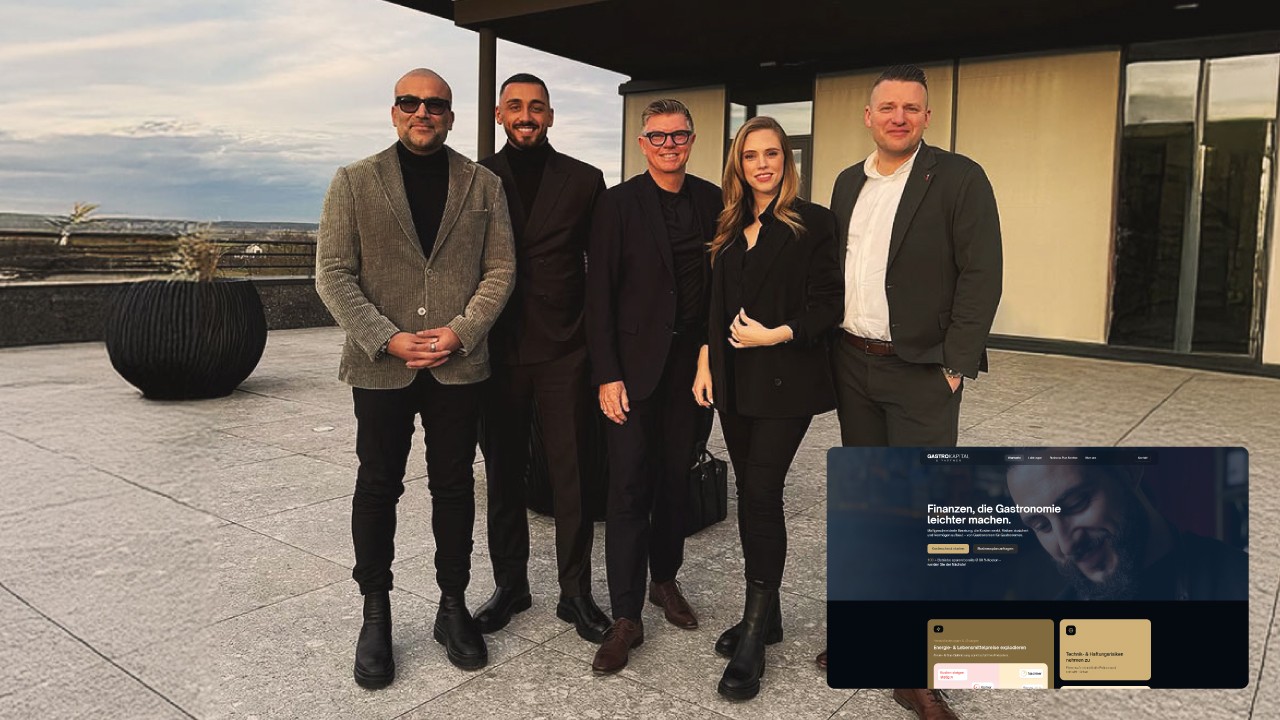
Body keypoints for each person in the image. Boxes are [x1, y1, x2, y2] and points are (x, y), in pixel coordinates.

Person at [315, 68, 514, 685]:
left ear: (451, 116)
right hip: (382, 370)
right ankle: (375, 614)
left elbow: (501, 270)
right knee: (378, 488)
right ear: (394, 111)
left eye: (436, 104)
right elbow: (332, 274)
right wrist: (386, 337)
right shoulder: (353, 181)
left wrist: (459, 332)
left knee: (454, 489)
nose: (422, 111)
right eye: (410, 102)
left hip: (458, 368)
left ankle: (451, 607)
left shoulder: (483, 184)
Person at [826, 64, 1003, 720]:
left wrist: (954, 365)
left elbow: (982, 273)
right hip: (853, 365)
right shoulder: (848, 182)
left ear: (927, 117)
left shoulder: (958, 178)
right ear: (868, 116)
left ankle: (914, 671)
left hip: (922, 373)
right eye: (888, 107)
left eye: (912, 107)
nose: (899, 116)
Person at [691, 116, 842, 700]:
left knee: (760, 494)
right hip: (733, 380)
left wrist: (777, 334)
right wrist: (706, 360)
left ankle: (755, 632)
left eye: (772, 153)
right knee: (751, 497)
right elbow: (714, 302)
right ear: (738, 163)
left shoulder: (814, 223)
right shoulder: (728, 226)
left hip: (786, 379)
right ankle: (771, 615)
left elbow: (830, 304)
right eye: (751, 154)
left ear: (787, 160)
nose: (762, 163)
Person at [585, 98, 723, 673]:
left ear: (692, 140)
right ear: (643, 144)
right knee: (628, 488)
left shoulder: (715, 200)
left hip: (690, 374)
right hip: (633, 372)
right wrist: (607, 373)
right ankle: (625, 616)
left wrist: (709, 358)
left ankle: (664, 580)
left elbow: (723, 286)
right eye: (658, 137)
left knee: (675, 483)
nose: (670, 145)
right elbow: (599, 297)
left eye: (679, 136)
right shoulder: (617, 205)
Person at [475, 73, 610, 643]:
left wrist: (597, 350)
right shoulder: (476, 178)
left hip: (564, 350)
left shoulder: (585, 180)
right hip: (496, 350)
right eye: (515, 106)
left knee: (570, 475)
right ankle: (511, 585)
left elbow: (602, 272)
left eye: (537, 107)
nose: (526, 115)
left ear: (551, 116)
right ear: (502, 116)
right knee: (502, 472)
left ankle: (574, 593)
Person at [1006, 464, 1247, 601]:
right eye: (1042, 526)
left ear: (1128, 470)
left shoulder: (1247, 588)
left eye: (1076, 504)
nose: (1067, 544)